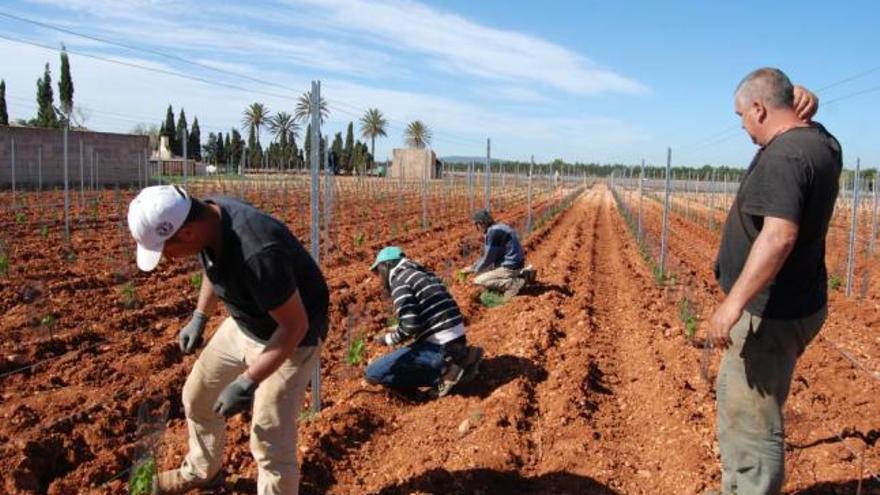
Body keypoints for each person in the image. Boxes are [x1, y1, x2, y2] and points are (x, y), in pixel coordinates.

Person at [127, 185, 329, 495]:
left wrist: (248, 380)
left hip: (291, 338)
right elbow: (213, 263)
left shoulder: (257, 252)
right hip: (246, 323)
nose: (166, 258)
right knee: (197, 397)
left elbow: (294, 325)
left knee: (269, 436)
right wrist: (200, 316)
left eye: (165, 249)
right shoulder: (210, 217)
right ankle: (202, 471)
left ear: (189, 233)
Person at [706, 71, 839, 495]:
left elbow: (779, 235)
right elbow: (806, 124)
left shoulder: (785, 157)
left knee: (751, 422)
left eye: (742, 115)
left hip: (768, 312)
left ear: (760, 109)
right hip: (798, 301)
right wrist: (810, 105)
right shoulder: (822, 143)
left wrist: (733, 305)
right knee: (750, 405)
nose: (742, 124)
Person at [366, 246, 484, 397]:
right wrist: (397, 326)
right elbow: (428, 312)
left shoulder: (399, 280)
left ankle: (447, 372)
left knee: (373, 373)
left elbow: (410, 327)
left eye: (378, 271)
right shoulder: (422, 273)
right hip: (456, 338)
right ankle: (463, 356)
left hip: (441, 347)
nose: (379, 277)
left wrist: (387, 339)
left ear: (387, 265)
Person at [461, 209, 535, 298]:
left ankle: (513, 284)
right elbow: (486, 256)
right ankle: (522, 274)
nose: (477, 228)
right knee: (485, 271)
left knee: (478, 281)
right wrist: (473, 267)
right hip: (515, 262)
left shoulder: (493, 233)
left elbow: (487, 259)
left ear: (481, 223)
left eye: (476, 225)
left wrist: (474, 270)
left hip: (510, 266)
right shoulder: (498, 227)